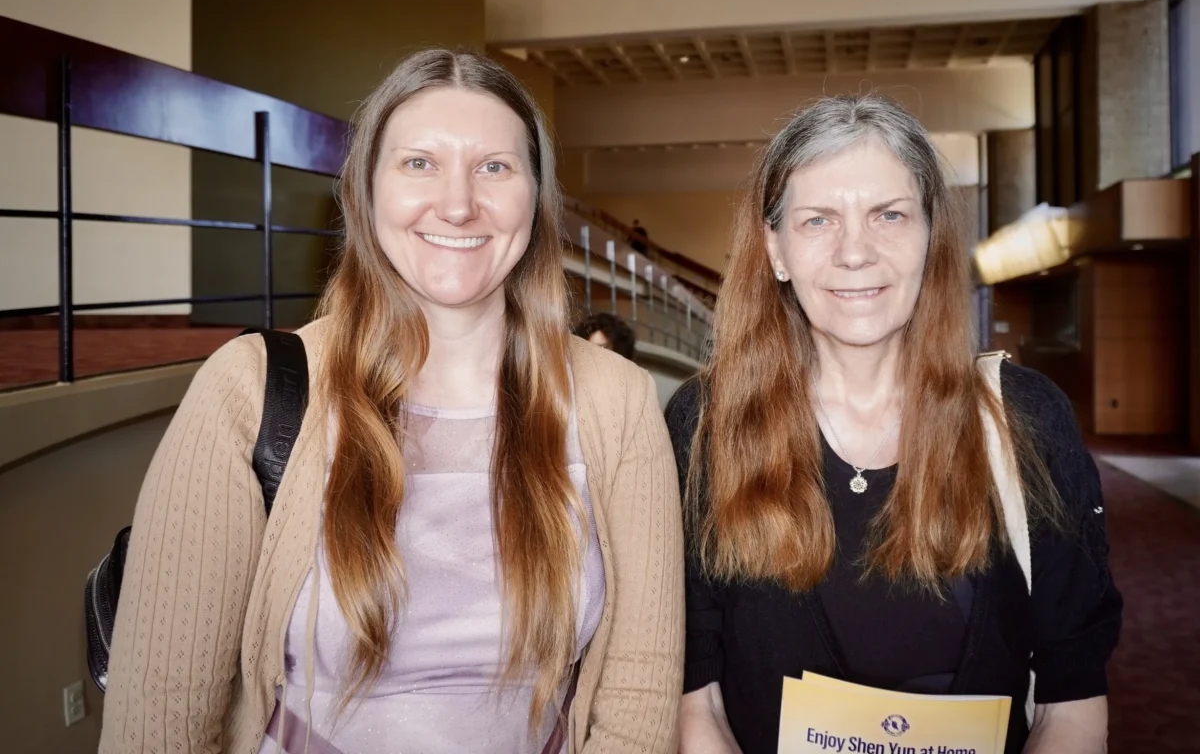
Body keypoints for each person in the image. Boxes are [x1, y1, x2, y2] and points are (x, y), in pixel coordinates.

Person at [99, 49, 684, 754]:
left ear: (536, 195)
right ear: (364, 191)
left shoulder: (615, 400)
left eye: (494, 166)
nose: (459, 202)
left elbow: (640, 695)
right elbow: (157, 722)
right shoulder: (251, 390)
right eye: (419, 163)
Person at [666, 96, 1121, 754]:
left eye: (889, 215)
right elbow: (695, 700)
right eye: (818, 219)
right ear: (776, 249)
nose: (856, 251)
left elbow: (1070, 704)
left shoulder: (1025, 420)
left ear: (930, 236)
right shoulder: (706, 424)